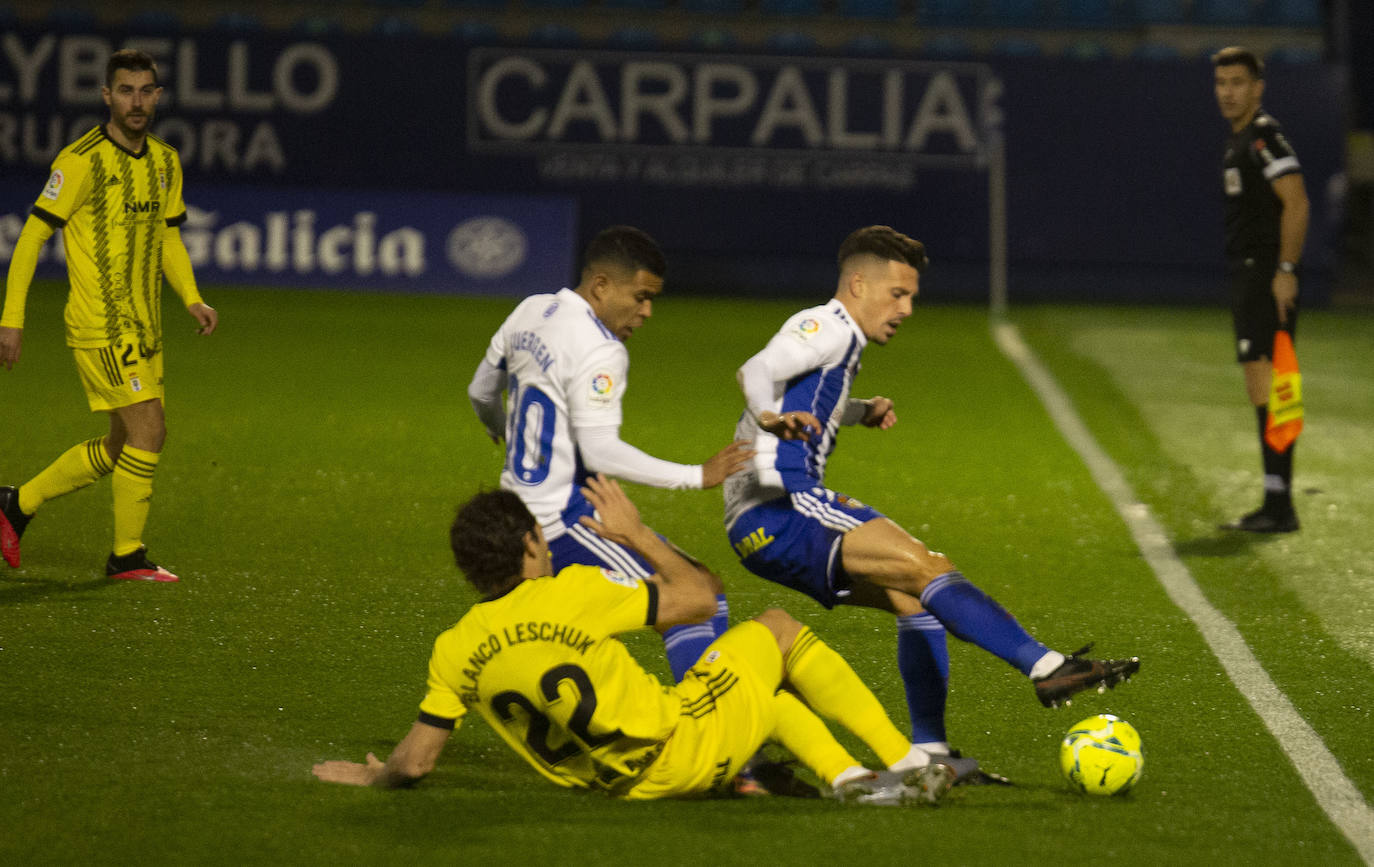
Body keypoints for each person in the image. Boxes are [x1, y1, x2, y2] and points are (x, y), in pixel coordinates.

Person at [723, 225, 1141, 774]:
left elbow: (803, 391)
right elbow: (755, 371)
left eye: (911, 296)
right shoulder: (825, 326)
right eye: (897, 294)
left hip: (767, 514)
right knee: (927, 566)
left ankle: (929, 752)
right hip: (780, 505)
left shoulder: (836, 336)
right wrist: (772, 418)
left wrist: (858, 409)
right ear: (857, 285)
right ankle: (1047, 667)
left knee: (913, 596)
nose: (907, 308)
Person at [312, 474, 957, 805]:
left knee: (762, 699)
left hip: (621, 785)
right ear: (534, 545)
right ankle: (905, 762)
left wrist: (376, 779)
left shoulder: (455, 647)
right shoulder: (572, 590)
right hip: (681, 749)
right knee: (777, 631)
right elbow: (699, 598)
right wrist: (637, 533)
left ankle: (849, 779)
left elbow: (417, 761)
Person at [467, 225, 751, 681]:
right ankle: (708, 730)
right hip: (562, 522)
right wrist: (697, 475)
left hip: (512, 516)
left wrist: (501, 428)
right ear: (601, 285)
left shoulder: (530, 310)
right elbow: (599, 451)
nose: (648, 311)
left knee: (541, 636)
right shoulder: (600, 349)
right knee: (698, 595)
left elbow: (481, 391)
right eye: (640, 297)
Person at [0, 49, 218, 582]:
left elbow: (168, 235)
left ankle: (16, 503)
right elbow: (32, 236)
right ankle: (126, 556)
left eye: (146, 90)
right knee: (150, 429)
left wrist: (192, 296)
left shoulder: (166, 161)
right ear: (106, 96)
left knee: (123, 443)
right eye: (126, 90)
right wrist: (11, 318)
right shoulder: (80, 161)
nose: (136, 101)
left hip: (145, 326)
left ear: (158, 96)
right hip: (100, 323)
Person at [1212, 46, 1309, 533]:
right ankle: (1274, 498)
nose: (1229, 92)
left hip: (1264, 275)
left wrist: (1285, 269)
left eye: (1238, 83)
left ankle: (1280, 503)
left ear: (1257, 89)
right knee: (1261, 382)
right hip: (1249, 274)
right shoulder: (1240, 140)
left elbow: (1296, 201)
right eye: (1222, 83)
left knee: (1273, 380)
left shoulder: (1263, 139)